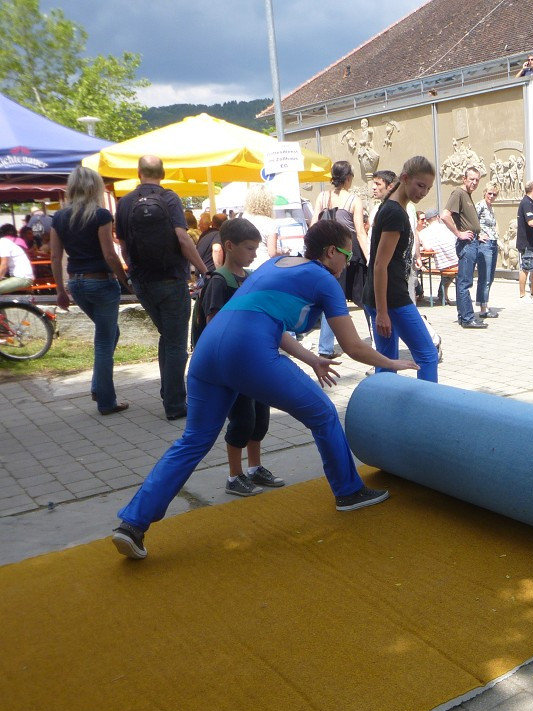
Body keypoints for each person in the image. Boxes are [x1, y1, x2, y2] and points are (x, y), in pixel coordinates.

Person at [110, 219, 418, 560]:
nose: (348, 262)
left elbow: (264, 317)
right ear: (332, 252)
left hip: (208, 352)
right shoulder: (324, 279)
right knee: (324, 414)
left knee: (193, 440)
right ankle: (348, 492)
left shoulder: (274, 263)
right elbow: (352, 345)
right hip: (250, 351)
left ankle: (132, 524)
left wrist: (312, 359)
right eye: (347, 253)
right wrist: (392, 363)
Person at [115, 155, 210, 421]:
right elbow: (182, 237)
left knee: (167, 336)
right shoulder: (169, 198)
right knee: (176, 342)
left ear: (138, 172)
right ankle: (176, 404)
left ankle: (167, 392)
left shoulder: (125, 203)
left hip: (143, 283)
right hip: (171, 279)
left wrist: (132, 273)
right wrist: (204, 270)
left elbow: (122, 246)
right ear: (163, 173)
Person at [196, 218, 285, 497]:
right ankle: (234, 476)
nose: (254, 254)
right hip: (231, 365)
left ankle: (254, 468)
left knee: (260, 417)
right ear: (230, 246)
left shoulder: (248, 280)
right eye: (249, 248)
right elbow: (214, 326)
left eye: (256, 248)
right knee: (242, 418)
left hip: (252, 361)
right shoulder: (219, 282)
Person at [50, 167, 132, 415]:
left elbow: (55, 256)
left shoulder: (60, 217)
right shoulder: (101, 215)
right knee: (105, 340)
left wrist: (60, 290)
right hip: (101, 282)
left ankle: (98, 386)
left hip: (76, 283)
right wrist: (126, 281)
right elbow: (109, 253)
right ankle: (107, 401)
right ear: (95, 187)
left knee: (108, 334)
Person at [364, 156, 441, 380]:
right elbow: (380, 264)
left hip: (381, 297)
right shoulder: (395, 212)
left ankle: (385, 409)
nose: (423, 192)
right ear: (405, 179)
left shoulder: (391, 208)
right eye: (420, 185)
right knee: (427, 354)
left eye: (427, 188)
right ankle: (428, 408)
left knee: (386, 362)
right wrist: (381, 312)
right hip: (392, 299)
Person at [313, 160, 366, 357]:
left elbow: (313, 226)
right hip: (345, 253)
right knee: (360, 297)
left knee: (330, 296)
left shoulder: (322, 197)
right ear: (349, 178)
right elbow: (360, 232)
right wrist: (368, 257)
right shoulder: (353, 200)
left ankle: (325, 347)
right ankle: (374, 340)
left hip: (324, 253)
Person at [441, 167, 487, 328]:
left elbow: (467, 221)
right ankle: (467, 318)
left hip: (472, 240)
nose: (474, 182)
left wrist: (477, 233)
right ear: (464, 178)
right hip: (466, 243)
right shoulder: (458, 193)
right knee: (465, 282)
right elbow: (445, 215)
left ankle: (464, 316)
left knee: (463, 281)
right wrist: (459, 233)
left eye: (477, 180)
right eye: (471, 179)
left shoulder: (467, 195)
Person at [474, 182, 500, 318]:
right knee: (485, 277)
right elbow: (472, 221)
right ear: (485, 192)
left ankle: (484, 303)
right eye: (489, 193)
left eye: (494, 194)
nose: (491, 196)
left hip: (493, 242)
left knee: (490, 276)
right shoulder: (480, 205)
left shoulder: (490, 207)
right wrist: (478, 235)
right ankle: (483, 308)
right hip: (485, 244)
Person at [242, 185, 281, 266]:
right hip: (264, 266)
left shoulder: (242, 219)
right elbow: (272, 253)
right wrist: (284, 251)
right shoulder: (269, 222)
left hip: (245, 266)